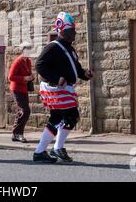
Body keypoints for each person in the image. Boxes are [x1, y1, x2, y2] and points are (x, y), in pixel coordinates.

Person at [33, 12, 94, 163]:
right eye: (71, 31)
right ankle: (51, 149)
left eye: (74, 30)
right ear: (63, 31)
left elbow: (76, 69)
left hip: (64, 89)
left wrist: (85, 74)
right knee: (67, 116)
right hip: (55, 88)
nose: (74, 33)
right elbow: (39, 65)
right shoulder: (53, 47)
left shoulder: (70, 49)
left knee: (63, 117)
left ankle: (46, 150)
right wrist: (56, 78)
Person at [8, 42, 33, 143]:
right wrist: (24, 78)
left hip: (23, 89)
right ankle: (18, 133)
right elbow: (10, 77)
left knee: (21, 111)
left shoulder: (28, 61)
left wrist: (31, 77)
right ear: (22, 51)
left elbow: (29, 73)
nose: (29, 52)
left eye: (30, 50)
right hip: (16, 89)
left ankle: (15, 134)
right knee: (25, 111)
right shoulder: (17, 62)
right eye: (27, 50)